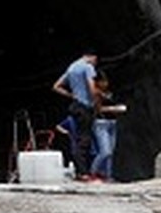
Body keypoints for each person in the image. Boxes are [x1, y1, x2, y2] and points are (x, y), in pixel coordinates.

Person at [52, 50, 98, 179]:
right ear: (91, 57)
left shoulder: (72, 68)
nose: (95, 64)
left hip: (75, 105)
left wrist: (71, 95)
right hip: (84, 106)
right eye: (95, 60)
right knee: (85, 139)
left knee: (79, 138)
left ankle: (80, 171)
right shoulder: (87, 67)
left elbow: (56, 86)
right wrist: (95, 102)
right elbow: (91, 86)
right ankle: (83, 173)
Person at [89, 71, 126, 182]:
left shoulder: (109, 93)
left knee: (111, 153)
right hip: (101, 123)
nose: (105, 83)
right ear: (98, 82)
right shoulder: (95, 93)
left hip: (112, 123)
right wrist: (113, 109)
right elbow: (97, 109)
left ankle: (108, 176)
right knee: (105, 151)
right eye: (103, 81)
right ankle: (93, 172)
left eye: (106, 81)